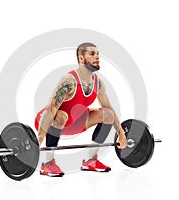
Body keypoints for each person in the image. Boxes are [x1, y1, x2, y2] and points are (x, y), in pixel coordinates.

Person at [34, 42, 127, 177]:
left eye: (98, 54)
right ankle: (48, 164)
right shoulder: (69, 81)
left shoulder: (98, 83)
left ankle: (90, 160)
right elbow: (51, 109)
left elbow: (108, 107)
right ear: (81, 58)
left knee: (109, 114)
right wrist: (39, 139)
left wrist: (121, 133)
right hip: (49, 121)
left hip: (75, 122)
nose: (97, 57)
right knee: (61, 115)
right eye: (92, 54)